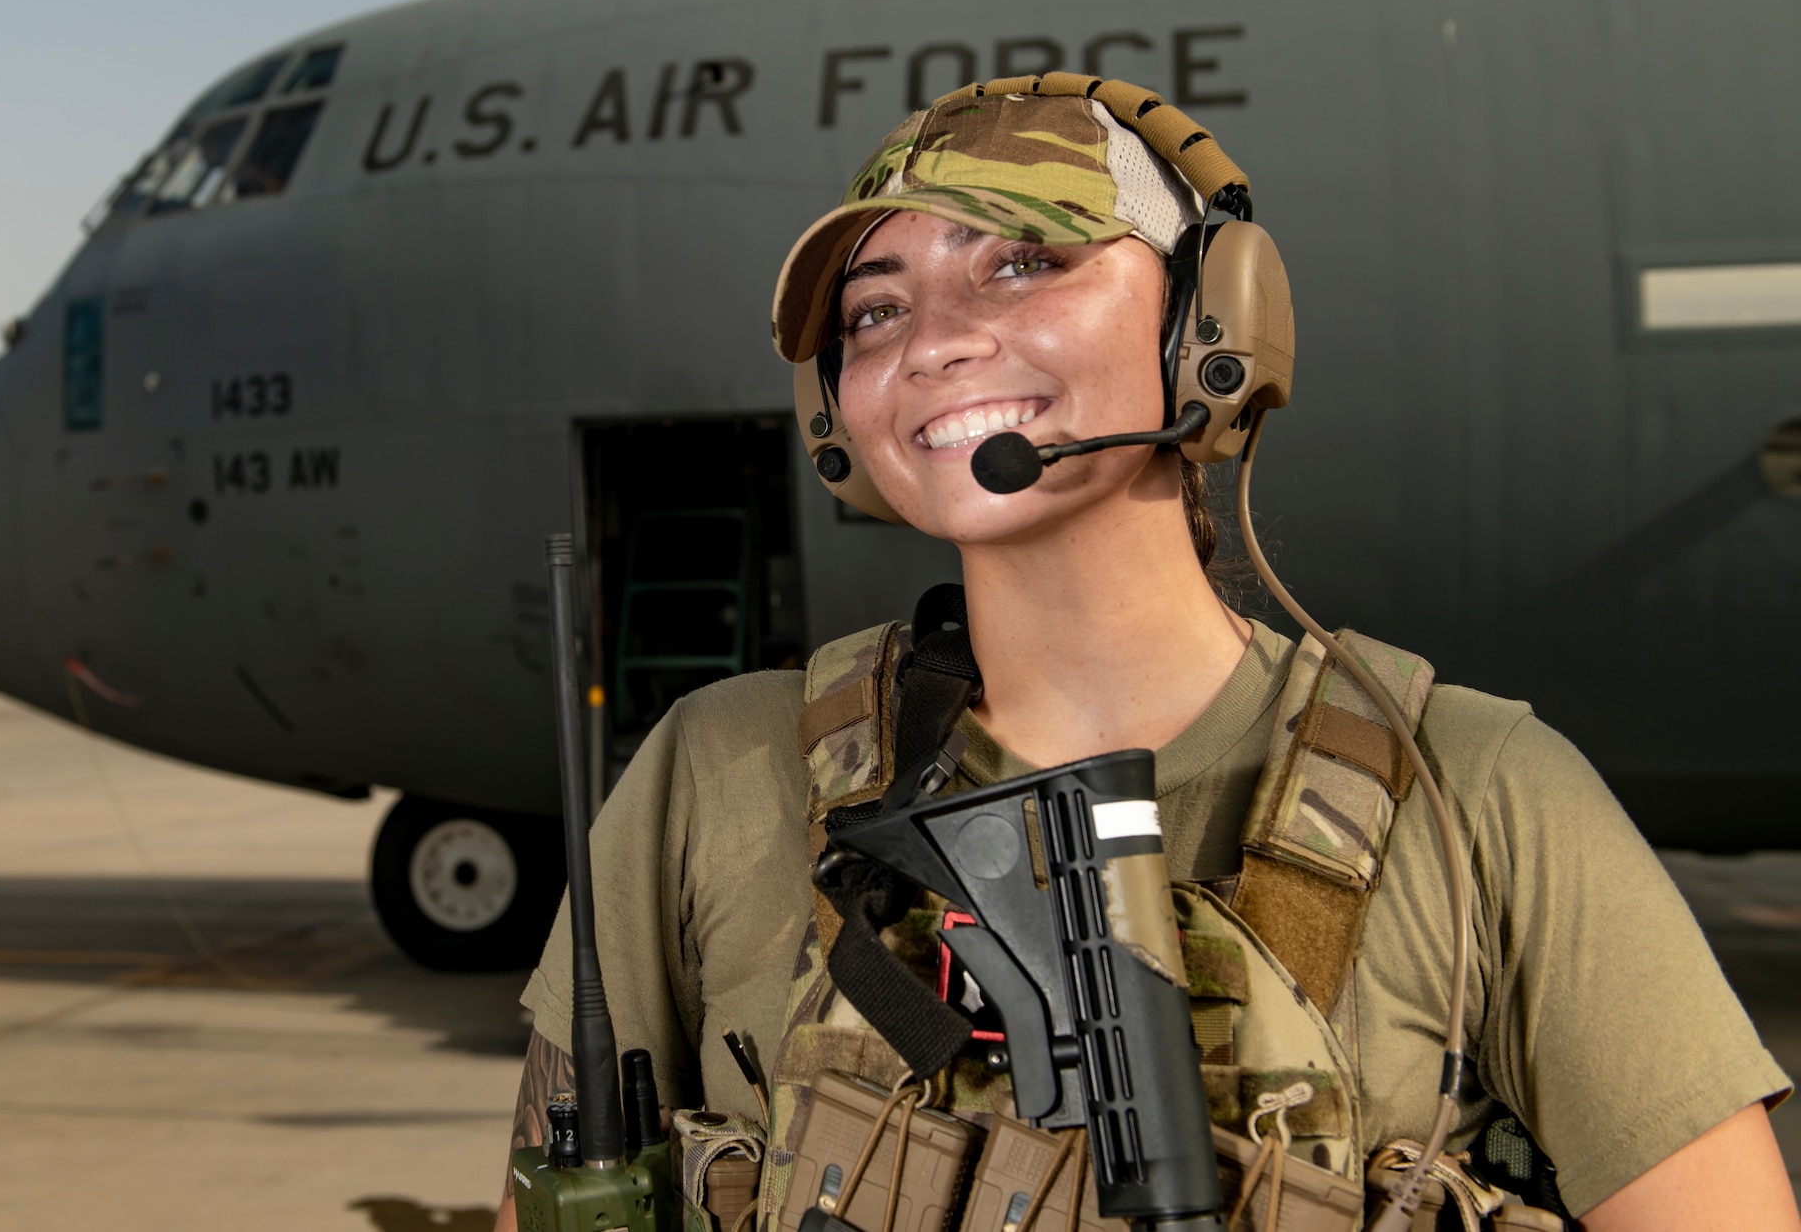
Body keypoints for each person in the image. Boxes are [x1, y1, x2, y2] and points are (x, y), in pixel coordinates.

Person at [495, 77, 1797, 1231]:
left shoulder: (1481, 790)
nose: (936, 338)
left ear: (1208, 321)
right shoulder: (715, 772)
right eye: (875, 313)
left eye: (1021, 264)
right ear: (835, 409)